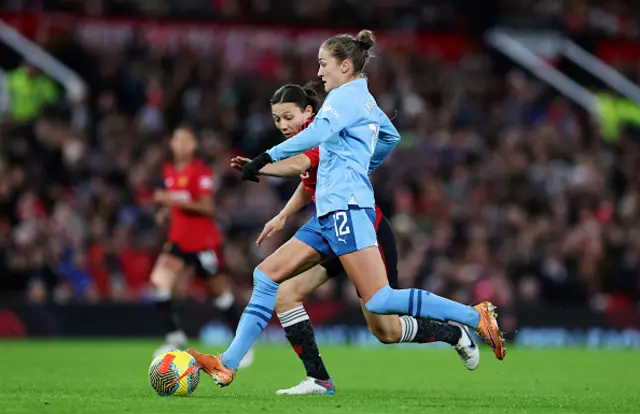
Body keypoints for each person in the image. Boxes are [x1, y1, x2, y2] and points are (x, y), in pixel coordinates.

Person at [190, 29, 504, 388]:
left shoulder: (344, 98)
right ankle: (228, 362)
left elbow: (316, 136)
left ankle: (474, 316)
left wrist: (266, 156)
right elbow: (390, 138)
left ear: (345, 65)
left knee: (383, 302)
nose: (320, 72)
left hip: (348, 210)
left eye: (324, 64)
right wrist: (362, 165)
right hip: (330, 213)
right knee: (266, 276)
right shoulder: (364, 100)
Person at [226, 81, 479, 395]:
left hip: (364, 229)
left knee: (385, 329)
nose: (283, 125)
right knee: (283, 291)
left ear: (308, 111)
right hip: (332, 226)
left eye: (288, 117)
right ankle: (317, 378)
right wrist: (283, 216)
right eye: (277, 119)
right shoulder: (307, 138)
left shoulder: (324, 132)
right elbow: (309, 182)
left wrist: (263, 167)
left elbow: (300, 164)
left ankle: (455, 331)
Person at [150, 125, 253, 368]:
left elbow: (207, 207)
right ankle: (174, 338)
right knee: (159, 280)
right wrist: (166, 211)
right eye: (178, 140)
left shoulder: (201, 172)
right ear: (172, 145)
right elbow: (180, 202)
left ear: (194, 146)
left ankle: (243, 344)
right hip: (177, 240)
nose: (182, 145)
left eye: (187, 140)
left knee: (220, 294)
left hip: (202, 242)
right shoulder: (168, 170)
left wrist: (169, 200)